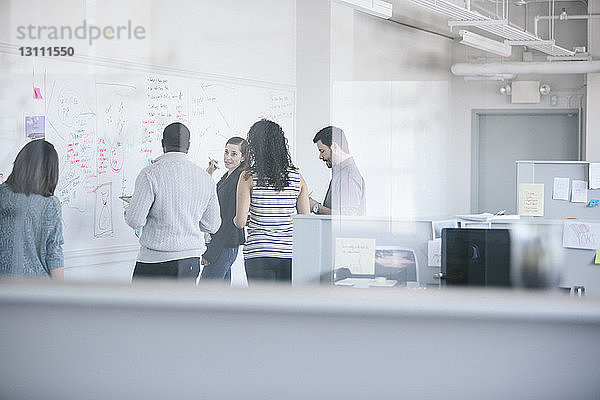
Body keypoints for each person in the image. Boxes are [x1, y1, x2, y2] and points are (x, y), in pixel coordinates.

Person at [125, 122, 221, 281]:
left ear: (162, 143)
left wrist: (129, 209)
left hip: (155, 261)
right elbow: (212, 225)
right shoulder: (205, 178)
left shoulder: (150, 174)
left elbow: (134, 220)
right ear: (189, 146)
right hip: (190, 262)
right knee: (182, 307)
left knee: (144, 306)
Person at [234, 119, 310, 283]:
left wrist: (247, 218)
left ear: (255, 147)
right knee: (285, 307)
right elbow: (305, 220)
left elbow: (240, 222)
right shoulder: (297, 178)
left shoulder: (248, 177)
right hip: (289, 253)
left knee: (262, 307)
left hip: (259, 252)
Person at [0, 140, 64, 279]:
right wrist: (61, 292)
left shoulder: (1, 194)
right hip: (36, 289)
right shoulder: (50, 204)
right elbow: (53, 253)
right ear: (50, 171)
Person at [200, 137, 247, 282]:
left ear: (243, 157)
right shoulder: (227, 176)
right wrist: (209, 172)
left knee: (206, 293)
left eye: (234, 154)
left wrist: (211, 252)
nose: (228, 157)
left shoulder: (240, 178)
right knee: (220, 297)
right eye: (226, 152)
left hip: (224, 244)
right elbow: (209, 197)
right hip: (222, 243)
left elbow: (229, 219)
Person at [309, 125, 366, 216]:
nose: (320, 156)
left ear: (334, 147)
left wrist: (316, 207)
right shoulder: (342, 174)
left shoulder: (347, 176)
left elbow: (347, 218)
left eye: (322, 151)